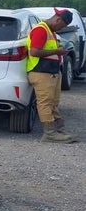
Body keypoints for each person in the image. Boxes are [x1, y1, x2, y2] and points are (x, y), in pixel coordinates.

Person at [26, 8, 78, 143]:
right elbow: (34, 52)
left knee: (53, 102)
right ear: (57, 19)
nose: (61, 28)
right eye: (62, 25)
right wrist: (57, 51)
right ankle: (49, 134)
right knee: (45, 103)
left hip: (50, 72)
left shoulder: (50, 31)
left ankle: (57, 130)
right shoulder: (41, 30)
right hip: (41, 72)